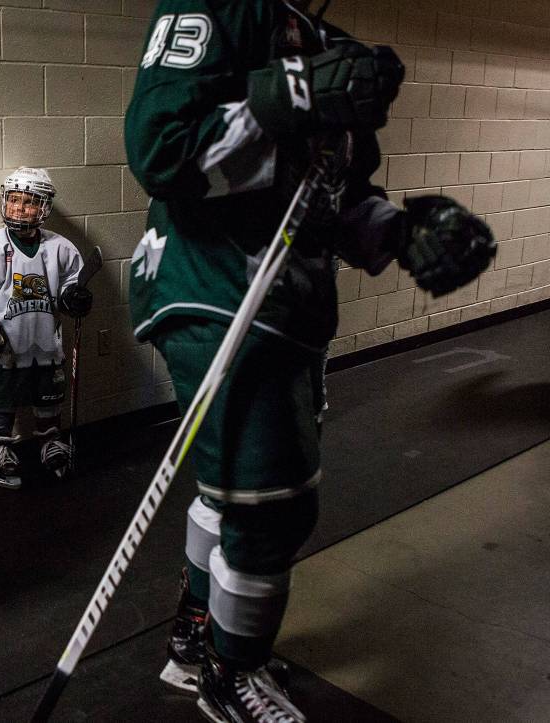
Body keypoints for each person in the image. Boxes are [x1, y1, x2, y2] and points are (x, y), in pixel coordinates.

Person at [125, 1, 495, 720]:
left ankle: (196, 640)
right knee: (271, 506)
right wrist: (285, 97)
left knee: (236, 489)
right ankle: (233, 675)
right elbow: (159, 150)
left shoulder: (329, 45)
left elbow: (325, 201)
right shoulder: (220, 7)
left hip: (284, 306)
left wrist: (402, 228)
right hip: (215, 290)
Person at [0, 168, 93, 489]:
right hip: (6, 346)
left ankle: (50, 443)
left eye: (29, 202)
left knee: (49, 397)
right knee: (3, 401)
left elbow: (69, 289)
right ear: (5, 201)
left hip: (46, 343)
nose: (20, 208)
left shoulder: (61, 248)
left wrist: (75, 298)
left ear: (43, 207)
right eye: (15, 200)